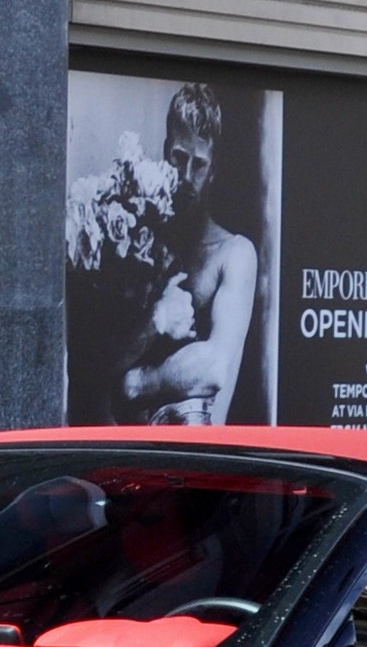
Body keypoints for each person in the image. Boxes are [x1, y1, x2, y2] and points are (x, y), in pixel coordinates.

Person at [116, 84, 258, 426]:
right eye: (179, 158)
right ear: (166, 151)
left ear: (214, 171)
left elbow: (213, 369)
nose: (186, 176)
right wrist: (156, 322)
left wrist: (137, 382)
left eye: (199, 164)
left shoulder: (234, 254)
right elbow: (99, 365)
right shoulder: (135, 240)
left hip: (199, 461)